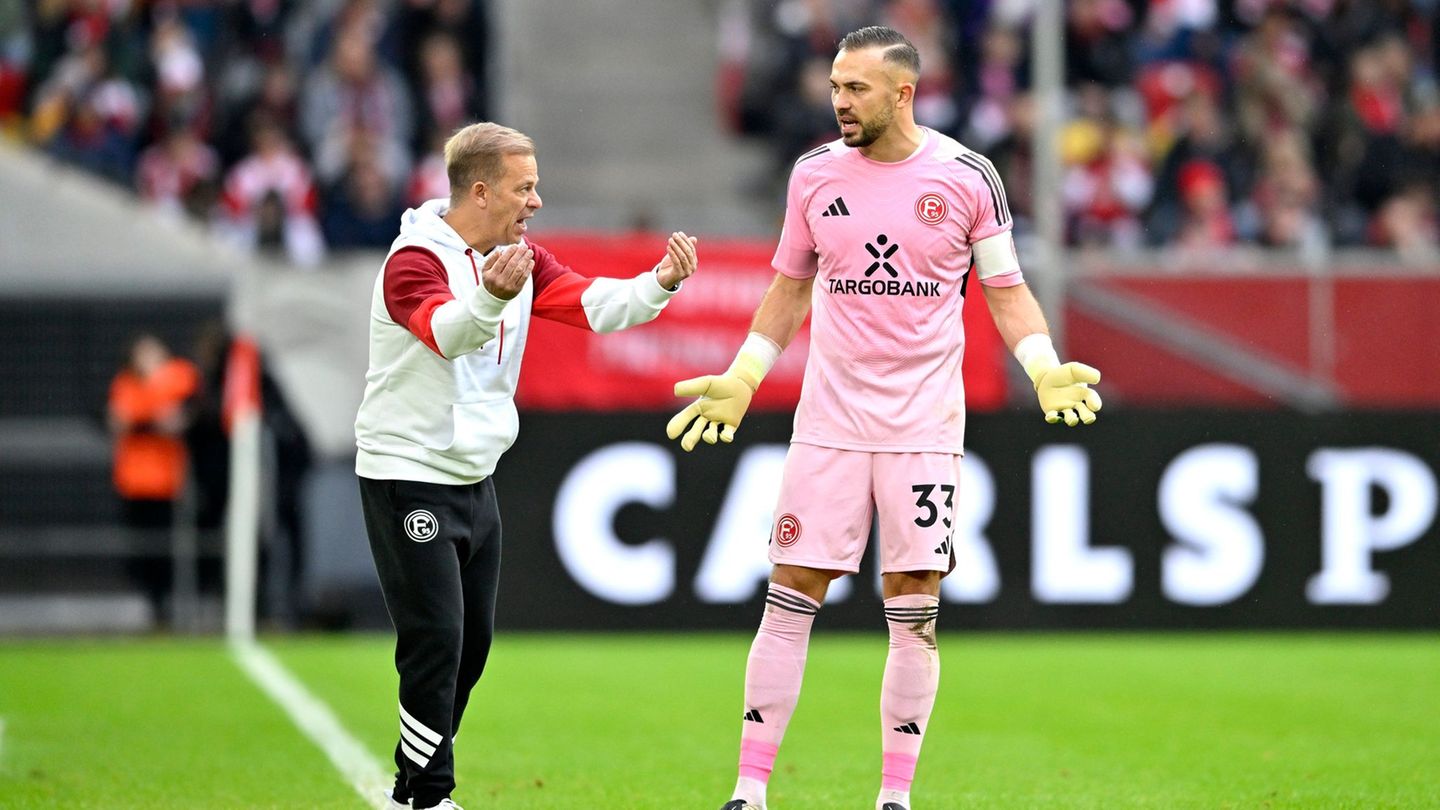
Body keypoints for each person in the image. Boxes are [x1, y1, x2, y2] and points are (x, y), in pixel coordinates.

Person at [665, 27, 1103, 810]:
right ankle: (749, 790)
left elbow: (1004, 288)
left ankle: (893, 799)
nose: (839, 100)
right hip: (830, 419)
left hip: (924, 425)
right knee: (791, 589)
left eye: (856, 88)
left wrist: (1041, 366)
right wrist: (743, 374)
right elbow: (791, 285)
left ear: (903, 93)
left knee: (914, 604)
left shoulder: (968, 177)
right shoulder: (811, 177)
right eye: (835, 85)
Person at [354, 121, 697, 810]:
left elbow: (592, 304)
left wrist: (657, 282)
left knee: (470, 647)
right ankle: (429, 795)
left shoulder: (516, 256)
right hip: (408, 474)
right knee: (437, 639)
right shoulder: (413, 261)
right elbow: (446, 334)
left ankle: (407, 788)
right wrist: (490, 299)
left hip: (474, 478)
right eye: (525, 188)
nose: (536, 201)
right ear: (480, 192)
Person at [107, 333, 200, 622]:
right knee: (140, 545)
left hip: (167, 481)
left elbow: (182, 413)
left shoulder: (178, 376)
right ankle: (152, 601)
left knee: (167, 545)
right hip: (134, 482)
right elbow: (120, 419)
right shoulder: (127, 383)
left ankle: (168, 602)